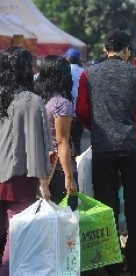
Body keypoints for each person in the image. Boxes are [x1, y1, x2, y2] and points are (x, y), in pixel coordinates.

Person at [76, 29, 136, 276]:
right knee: (135, 208)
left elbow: (83, 111)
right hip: (131, 147)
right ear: (127, 50)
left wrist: (97, 128)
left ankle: (112, 266)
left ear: (105, 50)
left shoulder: (90, 74)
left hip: (103, 149)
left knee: (106, 207)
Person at [0, 47, 53, 276]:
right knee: (16, 231)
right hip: (19, 176)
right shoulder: (33, 101)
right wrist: (44, 184)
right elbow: (39, 145)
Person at [35, 55, 78, 204]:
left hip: (39, 168)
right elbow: (61, 142)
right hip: (58, 170)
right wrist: (69, 177)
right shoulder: (61, 104)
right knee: (67, 219)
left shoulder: (38, 100)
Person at [64, 47, 85, 156]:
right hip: (79, 112)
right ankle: (77, 165)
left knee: (65, 140)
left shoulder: (65, 70)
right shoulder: (83, 72)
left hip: (65, 111)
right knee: (76, 141)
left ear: (67, 58)